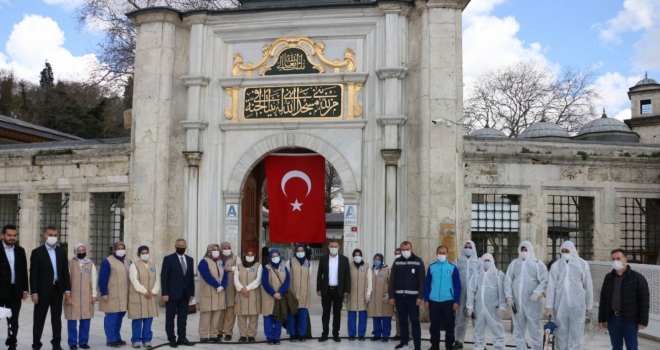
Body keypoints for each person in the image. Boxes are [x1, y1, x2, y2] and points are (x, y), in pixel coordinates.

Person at [545, 241, 594, 350]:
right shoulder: (556, 265)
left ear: (572, 250)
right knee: (561, 333)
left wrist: (588, 306)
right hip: (560, 305)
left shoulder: (582, 264)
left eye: (567, 251)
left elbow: (588, 285)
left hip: (578, 305)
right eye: (562, 251)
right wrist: (549, 306)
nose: (564, 253)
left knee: (577, 334)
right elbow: (551, 286)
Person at [598, 249, 650, 350]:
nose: (615, 261)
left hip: (630, 320)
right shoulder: (609, 278)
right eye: (613, 259)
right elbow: (604, 299)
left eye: (618, 258)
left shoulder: (637, 278)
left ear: (625, 260)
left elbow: (644, 301)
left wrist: (643, 321)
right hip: (613, 318)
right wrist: (601, 318)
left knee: (631, 346)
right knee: (616, 346)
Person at [30, 226, 71, 350]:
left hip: (57, 289)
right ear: (44, 236)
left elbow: (65, 272)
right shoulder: (37, 252)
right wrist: (34, 292)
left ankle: (56, 344)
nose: (53, 237)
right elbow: (33, 273)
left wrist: (67, 290)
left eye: (55, 235)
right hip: (42, 291)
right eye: (50, 234)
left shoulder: (61, 252)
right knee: (39, 319)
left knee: (56, 319)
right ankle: (36, 344)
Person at [505, 241, 548, 350]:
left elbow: (545, 280)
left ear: (530, 250)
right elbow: (507, 280)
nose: (524, 252)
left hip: (533, 303)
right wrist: (508, 296)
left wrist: (537, 292)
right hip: (517, 304)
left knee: (535, 330)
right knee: (518, 331)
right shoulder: (514, 263)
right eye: (522, 250)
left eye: (526, 250)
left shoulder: (538, 264)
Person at [465, 253, 509, 350]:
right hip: (479, 307)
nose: (486, 262)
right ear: (482, 262)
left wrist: (502, 306)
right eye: (485, 260)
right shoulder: (477, 274)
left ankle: (499, 347)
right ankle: (479, 346)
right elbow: (471, 290)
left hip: (494, 308)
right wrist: (470, 306)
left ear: (492, 261)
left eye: (488, 261)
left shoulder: (499, 275)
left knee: (496, 328)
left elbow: (502, 291)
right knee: (478, 328)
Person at [389, 241, 426, 350]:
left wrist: (420, 296)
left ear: (412, 249)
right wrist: (391, 296)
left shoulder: (418, 261)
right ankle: (404, 342)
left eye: (407, 249)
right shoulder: (397, 262)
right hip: (399, 298)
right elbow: (392, 280)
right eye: (403, 250)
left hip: (413, 298)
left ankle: (417, 345)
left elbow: (422, 280)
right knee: (402, 321)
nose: (405, 251)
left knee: (414, 321)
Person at [424, 245, 461, 350]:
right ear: (437, 253)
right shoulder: (431, 267)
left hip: (448, 301)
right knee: (434, 325)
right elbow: (427, 284)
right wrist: (426, 299)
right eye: (440, 253)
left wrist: (456, 301)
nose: (442, 255)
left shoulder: (452, 268)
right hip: (434, 301)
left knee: (449, 325)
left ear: (447, 254)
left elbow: (457, 286)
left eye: (444, 253)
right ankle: (434, 345)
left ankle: (449, 345)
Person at [161, 238, 195, 348]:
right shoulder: (168, 259)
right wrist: (165, 293)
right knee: (170, 317)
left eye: (182, 245)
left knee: (183, 317)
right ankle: (171, 338)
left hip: (185, 294)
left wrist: (191, 293)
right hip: (171, 294)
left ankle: (182, 338)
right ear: (175, 247)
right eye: (178, 245)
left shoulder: (190, 259)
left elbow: (190, 278)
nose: (181, 247)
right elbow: (164, 277)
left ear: (186, 247)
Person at [316, 240, 351, 342]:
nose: (334, 248)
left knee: (337, 313)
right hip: (326, 290)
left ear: (339, 247)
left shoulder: (344, 260)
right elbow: (319, 275)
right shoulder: (323, 259)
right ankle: (324, 334)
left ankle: (336, 334)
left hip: (338, 291)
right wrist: (318, 288)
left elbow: (347, 276)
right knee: (325, 314)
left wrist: (346, 290)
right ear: (328, 247)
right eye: (332, 246)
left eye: (336, 246)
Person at [0, 225, 28, 350]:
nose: (12, 238)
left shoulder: (20, 250)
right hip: (0, 291)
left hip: (15, 291)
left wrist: (25, 289)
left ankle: (12, 344)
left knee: (13, 319)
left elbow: (23, 272)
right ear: (2, 236)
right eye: (9, 235)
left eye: (14, 235)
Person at [98, 241, 131, 348]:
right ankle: (111, 339)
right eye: (119, 248)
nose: (121, 250)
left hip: (123, 295)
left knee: (119, 318)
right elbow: (102, 278)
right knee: (111, 317)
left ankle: (117, 337)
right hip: (112, 295)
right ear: (114, 249)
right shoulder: (107, 262)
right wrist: (104, 292)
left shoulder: (128, 261)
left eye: (123, 248)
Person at [64, 242, 97, 350]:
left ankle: (83, 342)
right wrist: (67, 296)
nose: (81, 252)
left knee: (86, 320)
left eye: (83, 250)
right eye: (79, 251)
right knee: (72, 320)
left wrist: (94, 294)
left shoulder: (90, 264)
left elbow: (93, 280)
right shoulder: (70, 263)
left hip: (86, 297)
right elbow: (66, 281)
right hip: (73, 297)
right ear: (75, 251)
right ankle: (73, 343)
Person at [128, 246, 160, 348]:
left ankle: (147, 339)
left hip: (150, 296)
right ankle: (136, 340)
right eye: (143, 253)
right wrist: (145, 291)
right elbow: (134, 280)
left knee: (148, 319)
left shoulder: (153, 265)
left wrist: (153, 291)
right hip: (139, 296)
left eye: (146, 252)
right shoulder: (134, 265)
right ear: (139, 254)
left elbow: (157, 280)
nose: (145, 254)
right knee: (137, 318)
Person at [198, 244, 228, 343]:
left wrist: (223, 285)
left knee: (217, 315)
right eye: (214, 250)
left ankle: (214, 335)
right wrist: (217, 285)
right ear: (209, 250)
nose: (216, 251)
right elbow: (207, 275)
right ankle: (203, 335)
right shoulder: (204, 262)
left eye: (217, 250)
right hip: (209, 292)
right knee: (206, 315)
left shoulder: (221, 261)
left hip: (220, 292)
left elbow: (225, 275)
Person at [452, 240, 479, 350]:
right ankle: (459, 340)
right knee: (461, 318)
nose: (468, 249)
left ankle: (479, 342)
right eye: (466, 247)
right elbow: (453, 279)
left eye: (470, 247)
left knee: (476, 319)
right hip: (462, 293)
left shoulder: (478, 262)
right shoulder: (458, 261)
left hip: (475, 295)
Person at [261, 249, 290, 344]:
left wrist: (280, 292)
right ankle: (270, 337)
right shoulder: (266, 268)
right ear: (270, 257)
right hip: (269, 297)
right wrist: (273, 293)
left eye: (276, 256)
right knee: (268, 317)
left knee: (279, 317)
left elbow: (287, 282)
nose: (275, 258)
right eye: (273, 256)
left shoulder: (284, 268)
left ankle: (277, 337)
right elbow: (264, 282)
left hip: (280, 297)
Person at [234, 248, 262, 343]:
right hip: (241, 293)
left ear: (254, 255)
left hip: (253, 294)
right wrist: (241, 288)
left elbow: (258, 279)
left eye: (252, 254)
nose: (250, 256)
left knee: (253, 316)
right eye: (248, 254)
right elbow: (235, 279)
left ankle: (251, 335)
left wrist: (247, 288)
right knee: (241, 315)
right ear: (244, 255)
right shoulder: (238, 266)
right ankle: (243, 335)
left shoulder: (258, 266)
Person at [286, 244, 311, 342]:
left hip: (304, 293)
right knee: (291, 315)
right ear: (295, 251)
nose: (300, 252)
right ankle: (292, 334)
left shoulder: (308, 263)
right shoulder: (290, 262)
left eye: (302, 250)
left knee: (303, 316)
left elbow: (309, 276)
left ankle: (302, 335)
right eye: (298, 250)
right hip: (293, 293)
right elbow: (286, 277)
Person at [367, 253, 393, 342]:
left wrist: (390, 294)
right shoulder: (370, 270)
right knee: (376, 317)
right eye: (375, 259)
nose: (376, 260)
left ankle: (385, 335)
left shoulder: (387, 270)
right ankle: (377, 334)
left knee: (386, 318)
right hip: (374, 299)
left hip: (384, 298)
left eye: (378, 259)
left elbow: (391, 283)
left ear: (381, 260)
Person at [347, 249, 372, 341]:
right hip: (351, 295)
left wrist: (368, 293)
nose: (357, 256)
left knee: (363, 315)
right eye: (355, 255)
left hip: (363, 295)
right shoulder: (349, 265)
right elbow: (346, 279)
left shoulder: (366, 266)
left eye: (359, 254)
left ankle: (361, 334)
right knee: (351, 315)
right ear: (353, 256)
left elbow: (369, 281)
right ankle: (352, 334)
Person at [218, 241, 240, 341]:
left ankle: (228, 332)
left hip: (231, 289)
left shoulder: (235, 258)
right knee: (219, 313)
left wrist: (232, 268)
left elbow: (241, 269)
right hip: (220, 289)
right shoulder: (217, 258)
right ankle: (219, 331)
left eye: (228, 248)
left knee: (230, 313)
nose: (227, 250)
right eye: (225, 248)